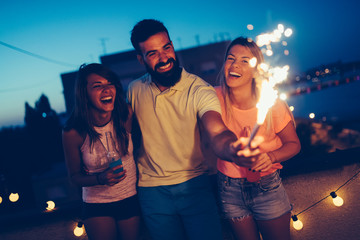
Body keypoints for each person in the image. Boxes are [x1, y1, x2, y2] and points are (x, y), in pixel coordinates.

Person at [127, 19, 262, 240]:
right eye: (152, 54)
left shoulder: (199, 89)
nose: (164, 58)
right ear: (140, 58)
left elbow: (217, 131)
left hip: (195, 186)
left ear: (172, 45)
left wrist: (234, 148)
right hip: (151, 190)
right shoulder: (134, 90)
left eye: (167, 48)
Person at [216, 37, 301, 240]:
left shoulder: (272, 104)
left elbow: (294, 144)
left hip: (266, 187)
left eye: (245, 60)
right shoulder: (213, 98)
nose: (235, 64)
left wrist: (270, 156)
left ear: (256, 70)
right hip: (229, 188)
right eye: (230, 58)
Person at [62, 63, 141, 240]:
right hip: (96, 204)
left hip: (129, 197)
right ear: (84, 94)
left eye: (109, 83)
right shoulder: (73, 132)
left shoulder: (125, 114)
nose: (106, 90)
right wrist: (100, 178)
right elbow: (74, 177)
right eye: (97, 86)